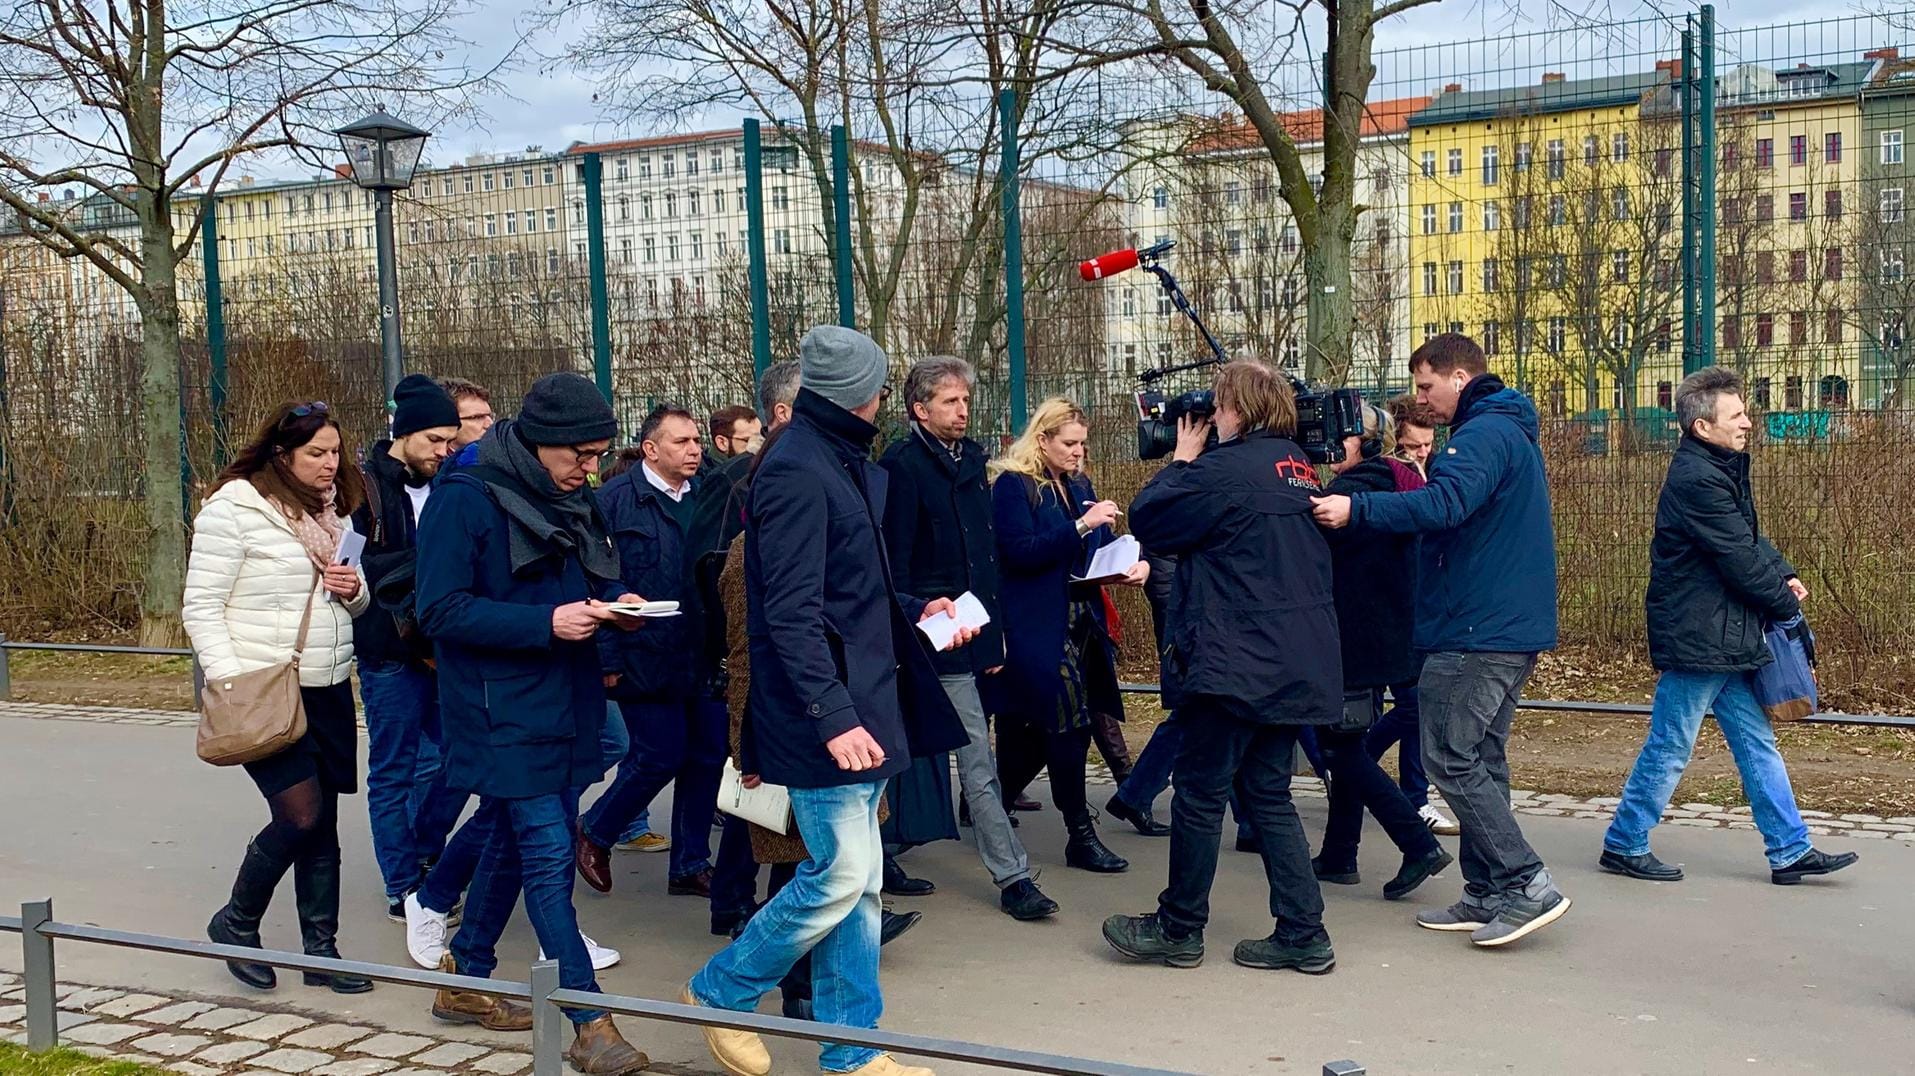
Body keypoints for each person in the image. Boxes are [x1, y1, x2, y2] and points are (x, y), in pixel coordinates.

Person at [684, 325, 972, 1076]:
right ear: (868, 394)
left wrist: (914, 609)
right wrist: (833, 716)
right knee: (840, 876)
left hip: (865, 702)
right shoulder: (796, 468)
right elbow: (787, 611)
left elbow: (850, 586)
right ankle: (722, 989)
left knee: (861, 888)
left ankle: (851, 1048)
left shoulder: (836, 457)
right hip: (828, 714)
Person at [412, 372, 650, 1074]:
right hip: (495, 707)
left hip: (563, 696)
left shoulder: (567, 494)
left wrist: (615, 603)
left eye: (600, 454)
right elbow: (440, 611)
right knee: (548, 850)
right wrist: (545, 622)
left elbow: (584, 578)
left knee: (517, 845)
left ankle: (466, 976)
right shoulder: (465, 498)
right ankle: (590, 1020)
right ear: (542, 443)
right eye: (581, 454)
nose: (592, 469)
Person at [1312, 333, 1570, 948]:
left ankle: (1527, 880)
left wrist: (1359, 512)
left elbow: (1445, 503)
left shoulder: (1483, 436)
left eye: (1427, 386)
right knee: (1481, 756)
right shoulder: (1505, 430)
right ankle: (1488, 892)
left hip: (1476, 627)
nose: (1422, 400)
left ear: (1459, 377)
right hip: (1502, 623)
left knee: (1450, 757)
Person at [1102, 361, 1341, 974]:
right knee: (1269, 794)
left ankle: (1179, 927)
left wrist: (1182, 456)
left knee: (1202, 794)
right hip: (1295, 660)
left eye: (1219, 407)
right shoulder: (1298, 468)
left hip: (1235, 660)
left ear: (1238, 409)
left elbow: (1152, 518)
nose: (1213, 417)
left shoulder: (1223, 471)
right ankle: (1303, 932)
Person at [1602, 367, 1858, 887]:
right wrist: (1783, 607)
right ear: (1703, 427)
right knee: (1672, 744)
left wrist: (1783, 572)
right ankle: (1625, 842)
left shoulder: (1720, 467)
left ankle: (1789, 850)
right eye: (1737, 414)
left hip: (1721, 634)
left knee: (1755, 743)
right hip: (1700, 638)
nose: (1748, 422)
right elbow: (1737, 557)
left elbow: (1748, 538)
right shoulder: (1697, 479)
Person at [186, 401, 375, 995]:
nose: (329, 464)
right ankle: (235, 922)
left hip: (327, 686)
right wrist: (230, 679)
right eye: (316, 453)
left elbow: (356, 601)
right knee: (300, 813)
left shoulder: (333, 514)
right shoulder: (236, 510)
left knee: (324, 824)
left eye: (335, 452)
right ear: (282, 453)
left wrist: (354, 592)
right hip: (264, 689)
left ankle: (323, 950)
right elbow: (201, 607)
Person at [879, 356, 1059, 921]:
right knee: (893, 758)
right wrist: (918, 616)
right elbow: (895, 563)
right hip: (919, 635)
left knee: (976, 759)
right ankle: (880, 859)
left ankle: (1012, 877)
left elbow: (988, 561)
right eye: (950, 401)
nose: (962, 410)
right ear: (920, 408)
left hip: (970, 632)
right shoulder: (901, 467)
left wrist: (994, 635)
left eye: (964, 400)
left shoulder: (974, 461)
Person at [576, 405, 727, 899]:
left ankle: (690, 863)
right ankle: (595, 830)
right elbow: (597, 581)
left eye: (696, 441)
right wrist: (609, 658)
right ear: (650, 449)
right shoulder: (615, 501)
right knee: (659, 754)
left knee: (706, 756)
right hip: (643, 652)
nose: (694, 450)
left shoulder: (708, 494)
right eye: (681, 442)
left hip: (700, 653)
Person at [989, 397, 1140, 874]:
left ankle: (991, 800)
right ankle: (1080, 833)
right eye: (1070, 443)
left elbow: (1089, 553)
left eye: (1083, 444)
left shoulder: (1076, 484)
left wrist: (1127, 560)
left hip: (1082, 624)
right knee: (1065, 727)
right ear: (1043, 440)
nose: (1079, 452)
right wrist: (1081, 525)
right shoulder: (1015, 486)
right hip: (1038, 627)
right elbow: (1019, 553)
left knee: (1034, 730)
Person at [1313, 402, 1454, 900]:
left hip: (1351, 640)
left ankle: (1416, 844)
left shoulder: (1348, 493)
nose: (1331, 447)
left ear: (1366, 444)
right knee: (1346, 742)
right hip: (1387, 638)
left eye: (1341, 437)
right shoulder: (1395, 483)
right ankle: (1338, 853)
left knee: (1341, 748)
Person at [351, 375, 470, 922]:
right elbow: (351, 569)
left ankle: (424, 851)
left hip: (444, 648)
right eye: (436, 441)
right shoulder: (365, 489)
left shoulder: (452, 483)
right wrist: (421, 572)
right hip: (388, 654)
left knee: (458, 758)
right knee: (393, 771)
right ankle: (403, 883)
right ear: (405, 434)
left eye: (451, 441)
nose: (445, 452)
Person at [1362, 395, 1458, 837]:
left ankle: (1399, 789)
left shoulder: (1427, 471)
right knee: (1414, 704)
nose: (1423, 453)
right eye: (1413, 446)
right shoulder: (1392, 476)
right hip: (1389, 606)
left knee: (1414, 705)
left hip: (1418, 602)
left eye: (1428, 445)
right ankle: (1367, 769)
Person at [437, 377, 496, 452]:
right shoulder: (426, 461)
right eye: (477, 417)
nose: (490, 424)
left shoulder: (501, 458)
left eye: (490, 416)